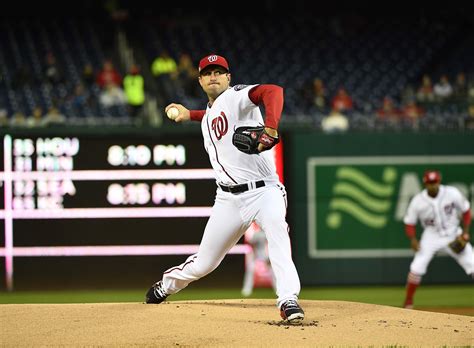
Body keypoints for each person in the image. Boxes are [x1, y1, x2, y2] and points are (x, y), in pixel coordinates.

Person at [145, 54, 305, 323]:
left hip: (264, 191)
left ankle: (288, 299)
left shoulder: (237, 96)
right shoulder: (208, 115)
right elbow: (211, 116)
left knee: (277, 229)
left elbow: (273, 91)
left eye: (219, 72)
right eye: (208, 73)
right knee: (205, 263)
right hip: (228, 199)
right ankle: (166, 286)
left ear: (229, 78)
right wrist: (190, 115)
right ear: (200, 80)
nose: (214, 76)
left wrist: (271, 128)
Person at [402, 170, 472, 309]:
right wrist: (413, 239)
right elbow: (409, 223)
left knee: (473, 262)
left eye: (434, 182)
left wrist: (465, 233)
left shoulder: (452, 193)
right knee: (416, 267)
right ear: (425, 184)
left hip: (453, 233)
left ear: (439, 181)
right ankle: (408, 302)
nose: (432, 185)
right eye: (429, 183)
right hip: (431, 237)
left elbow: (466, 210)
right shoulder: (418, 201)